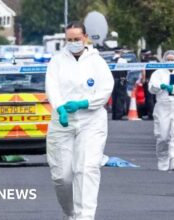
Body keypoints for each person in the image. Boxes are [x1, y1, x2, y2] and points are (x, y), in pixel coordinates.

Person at [45, 21, 114, 220]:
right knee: (62, 176)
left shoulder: (97, 62)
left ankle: (85, 216)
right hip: (62, 122)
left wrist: (84, 103)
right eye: (69, 40)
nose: (74, 43)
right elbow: (52, 88)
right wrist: (60, 108)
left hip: (91, 121)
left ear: (85, 38)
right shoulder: (57, 61)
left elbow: (105, 90)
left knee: (86, 168)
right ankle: (71, 212)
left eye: (77, 39)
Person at [140, 49, 159, 120]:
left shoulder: (144, 60)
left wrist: (143, 79)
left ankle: (151, 114)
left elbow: (143, 70)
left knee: (149, 98)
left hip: (148, 80)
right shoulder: (156, 59)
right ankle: (157, 113)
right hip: (157, 80)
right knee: (156, 97)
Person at [111, 47, 129, 120]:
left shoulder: (111, 59)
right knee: (120, 97)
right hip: (121, 79)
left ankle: (114, 115)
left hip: (112, 80)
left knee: (114, 97)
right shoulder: (123, 60)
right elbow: (126, 70)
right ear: (120, 52)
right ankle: (119, 115)